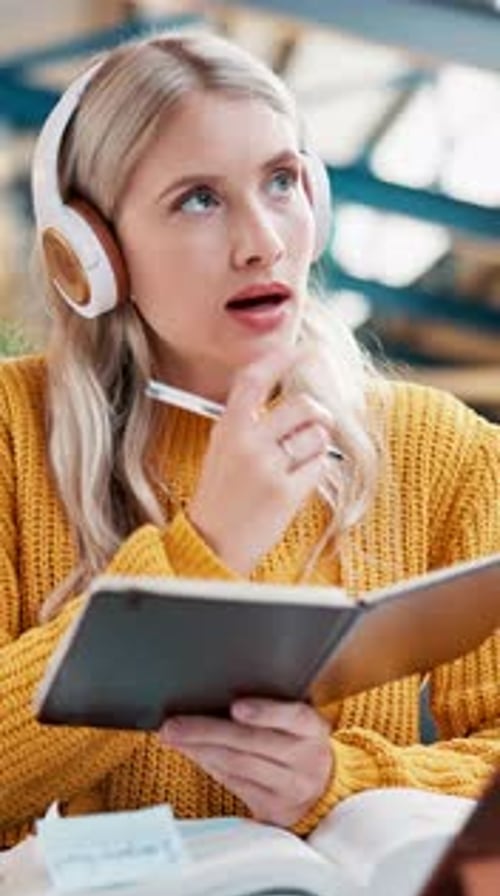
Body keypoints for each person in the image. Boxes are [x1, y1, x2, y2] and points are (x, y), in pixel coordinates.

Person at [0, 29, 499, 851]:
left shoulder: (444, 454)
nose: (264, 239)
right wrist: (204, 551)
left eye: (281, 181)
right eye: (199, 197)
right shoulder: (16, 436)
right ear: (91, 256)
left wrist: (338, 782)